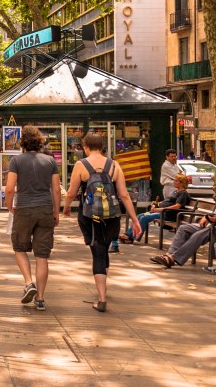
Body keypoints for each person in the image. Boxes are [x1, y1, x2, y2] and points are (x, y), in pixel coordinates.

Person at [63, 133, 141, 312]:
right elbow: (124, 195)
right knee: (104, 248)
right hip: (112, 216)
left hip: (89, 216)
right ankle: (103, 286)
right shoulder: (114, 165)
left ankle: (102, 298)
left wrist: (65, 208)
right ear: (102, 147)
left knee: (97, 251)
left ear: (86, 147)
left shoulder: (81, 165)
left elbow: (71, 192)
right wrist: (135, 219)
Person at [4, 127, 60, 310]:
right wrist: (56, 212)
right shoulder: (50, 161)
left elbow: (10, 187)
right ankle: (41, 299)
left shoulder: (16, 161)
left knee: (19, 248)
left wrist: (10, 205)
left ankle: (29, 283)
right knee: (42, 256)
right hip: (45, 209)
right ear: (39, 142)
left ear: (22, 143)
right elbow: (57, 189)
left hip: (24, 209)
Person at [149, 173, 216, 268]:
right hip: (214, 224)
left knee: (201, 233)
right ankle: (168, 255)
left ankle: (173, 258)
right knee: (184, 228)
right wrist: (206, 217)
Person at [132, 175, 192, 241]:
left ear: (182, 183)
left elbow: (177, 206)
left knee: (145, 218)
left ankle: (133, 237)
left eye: (176, 181)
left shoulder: (183, 193)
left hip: (168, 214)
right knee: (140, 216)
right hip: (162, 212)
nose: (174, 182)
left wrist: (159, 209)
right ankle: (129, 235)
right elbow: (166, 202)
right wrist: (156, 203)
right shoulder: (175, 192)